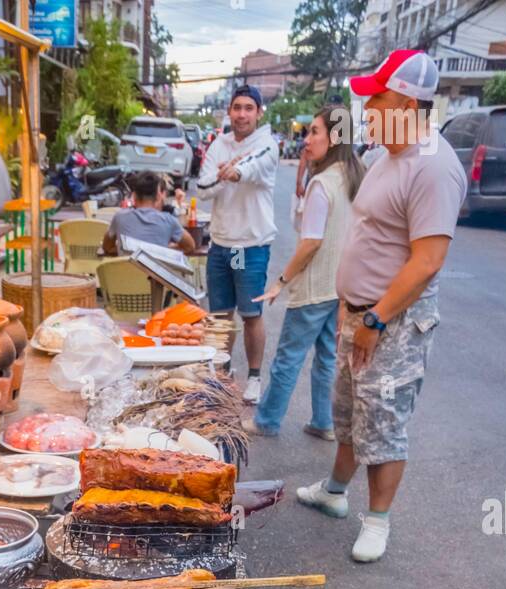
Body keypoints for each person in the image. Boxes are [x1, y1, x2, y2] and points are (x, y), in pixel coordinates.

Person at [296, 50, 466, 562]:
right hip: (358, 313)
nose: (366, 106)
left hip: (392, 319)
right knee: (347, 412)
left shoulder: (434, 167)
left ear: (407, 102)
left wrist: (375, 318)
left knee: (383, 423)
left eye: (376, 98)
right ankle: (333, 491)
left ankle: (378, 521)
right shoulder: (383, 156)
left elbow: (429, 260)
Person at [245, 107, 364, 440]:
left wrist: (281, 282)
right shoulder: (357, 176)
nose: (306, 139)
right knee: (327, 358)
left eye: (314, 132)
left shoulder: (323, 183)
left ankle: (266, 420)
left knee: (288, 358)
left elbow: (310, 242)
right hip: (341, 288)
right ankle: (324, 422)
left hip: (314, 287)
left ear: (334, 137)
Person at [197, 83, 279, 403]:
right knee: (219, 316)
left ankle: (255, 378)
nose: (242, 114)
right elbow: (202, 188)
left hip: (249, 246)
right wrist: (223, 175)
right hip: (220, 243)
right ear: (229, 111)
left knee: (250, 314)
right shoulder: (219, 143)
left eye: (248, 108)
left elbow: (253, 167)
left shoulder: (268, 144)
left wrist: (234, 172)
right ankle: (222, 374)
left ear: (259, 113)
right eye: (237, 108)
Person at [102, 172, 195, 255]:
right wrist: (163, 249)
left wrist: (126, 250)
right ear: (159, 196)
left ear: (133, 196)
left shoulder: (119, 217)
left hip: (125, 273)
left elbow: (107, 247)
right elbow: (190, 247)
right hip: (157, 274)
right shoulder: (169, 220)